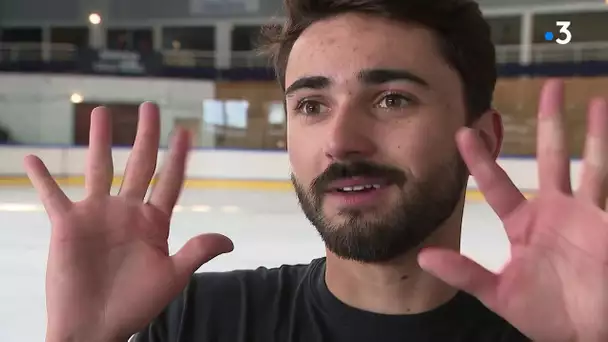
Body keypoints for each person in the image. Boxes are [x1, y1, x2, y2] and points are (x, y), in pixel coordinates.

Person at [25, 0, 608, 341]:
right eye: (311, 105)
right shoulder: (200, 323)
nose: (341, 141)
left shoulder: (552, 331)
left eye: (392, 100)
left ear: (480, 138)